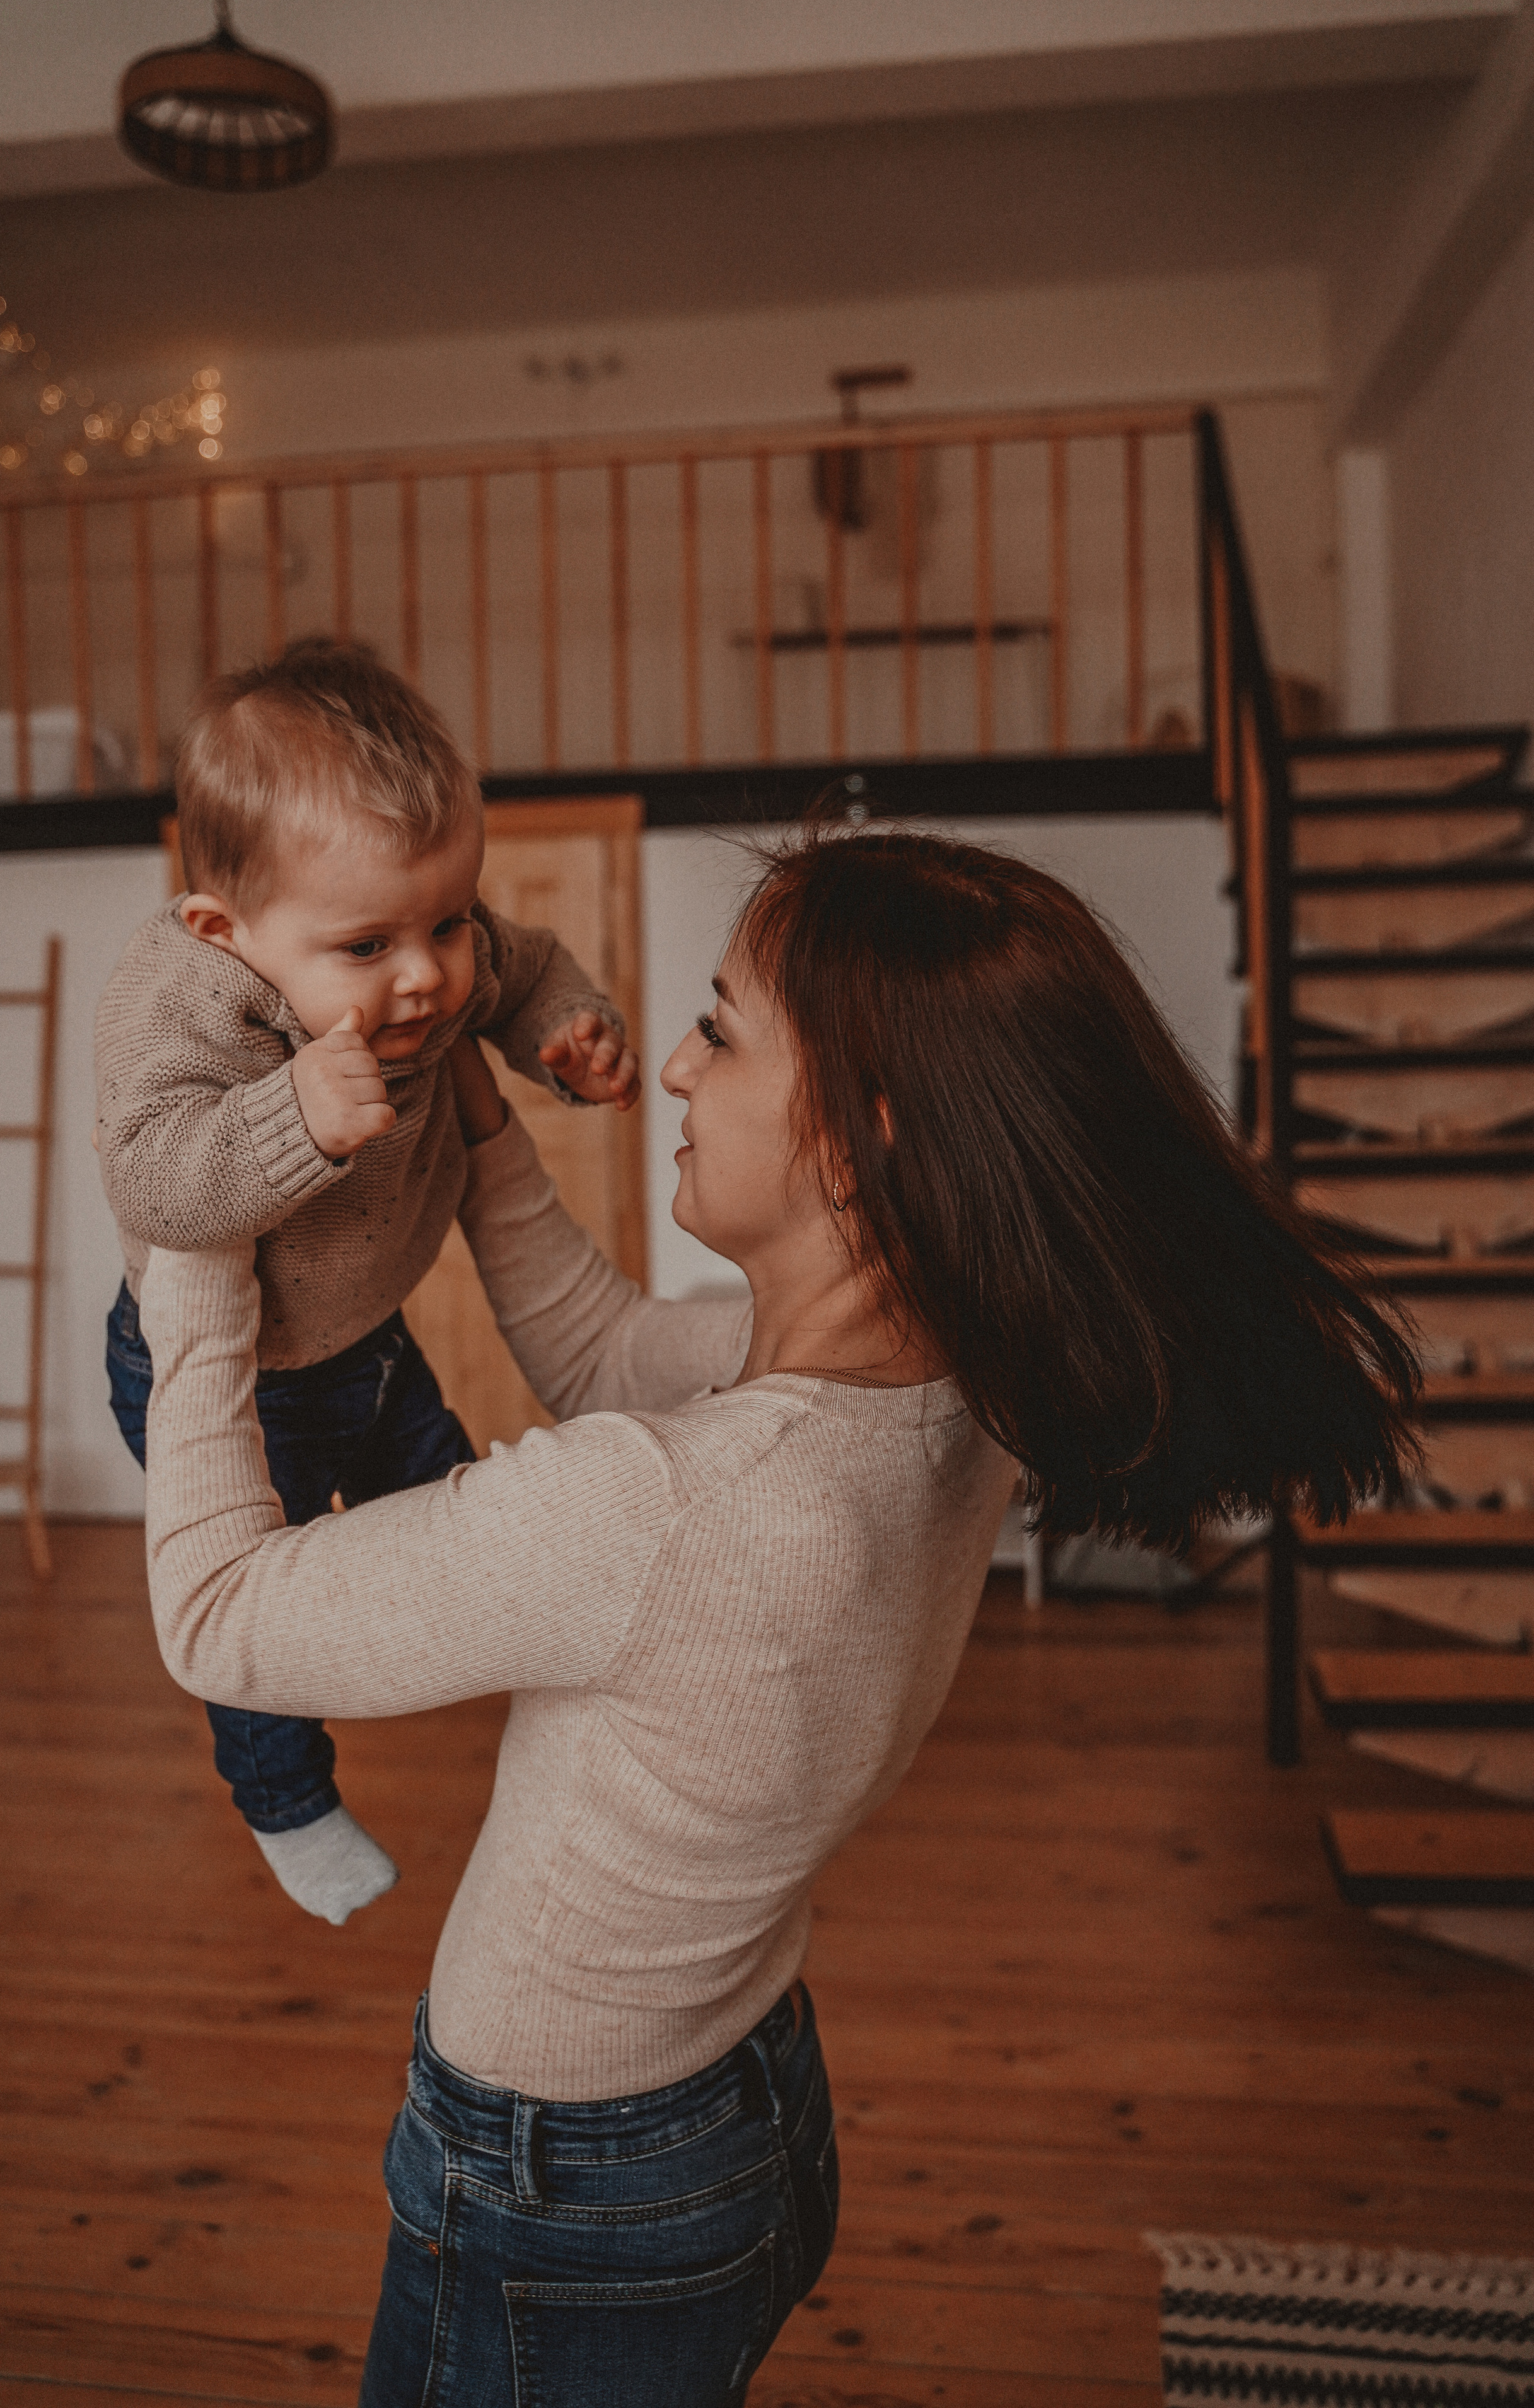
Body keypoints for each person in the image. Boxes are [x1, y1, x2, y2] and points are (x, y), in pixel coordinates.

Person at [135, 823, 1418, 2405]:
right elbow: (607, 1353)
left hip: (570, 2191)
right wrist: (475, 1117)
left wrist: (189, 1240)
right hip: (729, 2113)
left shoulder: (669, 1511)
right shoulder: (949, 1392)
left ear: (860, 1139)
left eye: (722, 1031)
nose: (672, 1065)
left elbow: (219, 1616)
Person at [95, 638, 640, 1929]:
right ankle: (286, 1802)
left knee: (455, 1507)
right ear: (225, 931)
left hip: (367, 1331)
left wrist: (566, 1038)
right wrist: (288, 1116)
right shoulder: (184, 1006)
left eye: (446, 920)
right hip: (230, 1381)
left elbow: (527, 968)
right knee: (258, 1618)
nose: (426, 974)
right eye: (368, 946)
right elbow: (151, 1179)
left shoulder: (430, 950)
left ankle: (548, 1679)